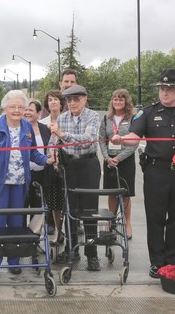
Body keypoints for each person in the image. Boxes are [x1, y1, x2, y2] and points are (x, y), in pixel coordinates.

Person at [111, 69, 175, 278]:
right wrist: (121, 139)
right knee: (155, 218)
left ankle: (171, 258)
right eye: (162, 88)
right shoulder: (147, 112)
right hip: (156, 172)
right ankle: (156, 262)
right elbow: (134, 137)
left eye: (170, 89)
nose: (165, 92)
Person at [0, 90, 55, 279]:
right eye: (12, 107)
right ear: (5, 108)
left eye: (20, 107)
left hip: (20, 183)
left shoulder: (27, 127)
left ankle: (14, 261)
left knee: (17, 223)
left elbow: (34, 154)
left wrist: (47, 160)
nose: (17, 110)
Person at [49, 84, 102, 271]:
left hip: (89, 165)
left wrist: (64, 135)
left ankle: (92, 253)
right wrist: (52, 156)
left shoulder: (93, 116)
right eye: (69, 100)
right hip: (69, 166)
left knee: (89, 210)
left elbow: (88, 138)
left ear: (85, 99)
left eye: (76, 99)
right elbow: (52, 142)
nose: (72, 103)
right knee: (69, 209)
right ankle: (72, 250)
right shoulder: (62, 118)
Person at [99, 89, 137, 239]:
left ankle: (127, 223)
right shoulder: (106, 119)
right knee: (111, 192)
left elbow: (134, 143)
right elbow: (101, 139)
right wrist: (107, 157)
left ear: (126, 102)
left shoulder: (133, 119)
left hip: (125, 160)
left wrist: (119, 158)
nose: (118, 102)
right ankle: (111, 221)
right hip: (109, 160)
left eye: (121, 99)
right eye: (115, 99)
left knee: (125, 193)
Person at [39, 90, 66, 243]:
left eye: (56, 99)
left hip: (66, 165)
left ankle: (69, 231)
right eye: (50, 100)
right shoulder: (42, 123)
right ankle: (58, 231)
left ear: (61, 103)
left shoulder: (67, 120)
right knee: (54, 203)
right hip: (50, 166)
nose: (53, 102)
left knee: (66, 202)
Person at [23, 100, 50, 218]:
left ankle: (35, 234)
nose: (27, 112)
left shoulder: (45, 129)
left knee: (37, 208)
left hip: (41, 174)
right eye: (26, 109)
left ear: (38, 113)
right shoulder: (18, 128)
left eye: (31, 110)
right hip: (23, 174)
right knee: (22, 208)